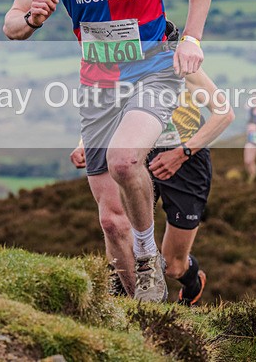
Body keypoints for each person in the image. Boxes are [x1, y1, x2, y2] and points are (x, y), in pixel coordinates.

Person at [4, 0, 214, 302]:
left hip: (154, 71)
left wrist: (192, 39)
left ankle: (147, 257)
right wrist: (33, 17)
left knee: (123, 161)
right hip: (99, 85)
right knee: (110, 220)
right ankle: (139, 310)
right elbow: (12, 26)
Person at [71, 63, 233, 305]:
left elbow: (224, 114)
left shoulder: (177, 62)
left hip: (186, 159)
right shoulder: (122, 62)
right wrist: (84, 142)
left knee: (172, 265)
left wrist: (181, 154)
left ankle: (192, 280)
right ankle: (136, 311)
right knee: (119, 231)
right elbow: (110, 109)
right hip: (140, 155)